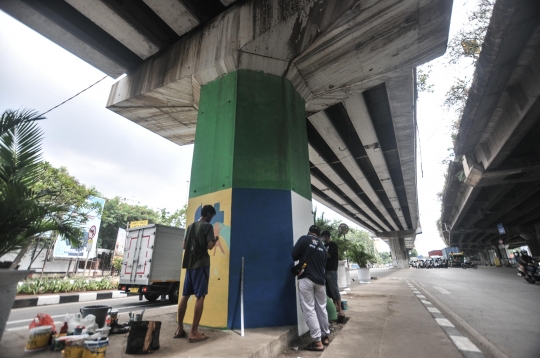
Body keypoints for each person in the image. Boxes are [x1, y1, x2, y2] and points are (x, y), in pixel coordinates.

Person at [175, 205, 218, 343]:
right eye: (212, 216)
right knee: (200, 296)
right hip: (201, 265)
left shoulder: (191, 226)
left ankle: (180, 328)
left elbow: (184, 246)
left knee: (185, 296)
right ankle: (194, 332)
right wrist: (214, 240)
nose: (212, 219)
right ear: (209, 214)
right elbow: (210, 246)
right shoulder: (207, 227)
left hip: (190, 265)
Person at [292, 225, 331, 352]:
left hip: (307, 279)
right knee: (321, 308)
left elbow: (294, 255)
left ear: (309, 232)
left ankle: (317, 342)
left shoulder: (304, 239)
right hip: (321, 281)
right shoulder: (323, 247)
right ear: (319, 235)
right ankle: (325, 337)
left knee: (309, 309)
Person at [321, 230, 345, 322]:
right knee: (327, 289)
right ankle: (334, 307)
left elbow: (328, 255)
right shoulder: (324, 246)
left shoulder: (332, 245)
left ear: (327, 236)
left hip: (331, 270)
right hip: (324, 270)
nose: (322, 238)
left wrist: (321, 249)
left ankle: (340, 310)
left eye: (323, 236)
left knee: (334, 288)